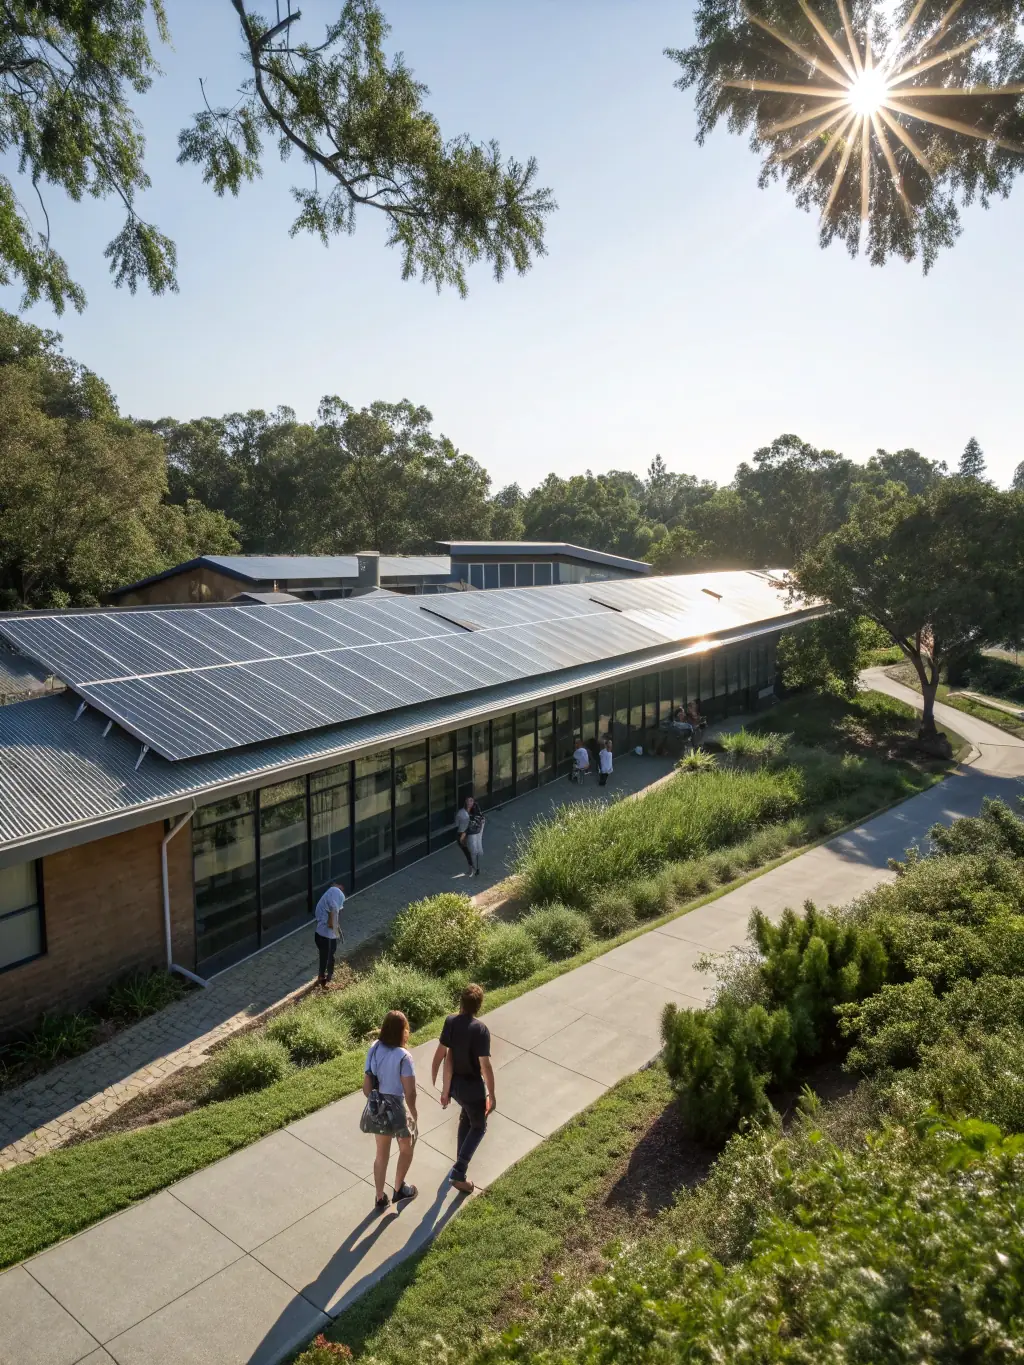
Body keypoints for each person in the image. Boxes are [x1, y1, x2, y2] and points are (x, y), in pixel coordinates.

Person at [432, 983, 495, 1194]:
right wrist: (492, 1095)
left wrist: (444, 1089)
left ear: (461, 1002)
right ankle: (459, 1172)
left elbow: (444, 1056)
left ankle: (460, 1162)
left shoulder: (450, 1022)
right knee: (479, 1127)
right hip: (472, 1088)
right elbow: (485, 1066)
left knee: (466, 1119)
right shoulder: (480, 1029)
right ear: (479, 1006)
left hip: (456, 1088)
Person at [364, 1010, 418, 1210]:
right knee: (406, 1146)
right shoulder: (404, 1057)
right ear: (403, 1032)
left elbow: (366, 1086)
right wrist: (413, 1112)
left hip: (378, 1106)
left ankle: (379, 1197)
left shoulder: (374, 1048)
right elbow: (410, 1091)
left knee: (381, 1153)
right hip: (396, 1107)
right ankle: (399, 1188)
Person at [313, 879, 344, 988]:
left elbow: (335, 911)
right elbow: (334, 910)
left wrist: (336, 929)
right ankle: (325, 979)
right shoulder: (334, 892)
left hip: (322, 935)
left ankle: (326, 976)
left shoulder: (329, 896)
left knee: (327, 956)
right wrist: (335, 927)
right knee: (327, 956)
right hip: (325, 936)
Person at [466, 797, 486, 876]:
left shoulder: (472, 812)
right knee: (477, 844)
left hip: (473, 830)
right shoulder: (479, 816)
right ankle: (477, 867)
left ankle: (474, 868)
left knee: (473, 847)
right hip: (477, 828)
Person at [455, 795, 474, 872]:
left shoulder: (474, 811)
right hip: (462, 834)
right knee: (467, 851)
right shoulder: (461, 813)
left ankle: (472, 866)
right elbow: (457, 824)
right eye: (468, 801)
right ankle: (471, 867)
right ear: (465, 802)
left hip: (471, 833)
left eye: (471, 801)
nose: (470, 803)